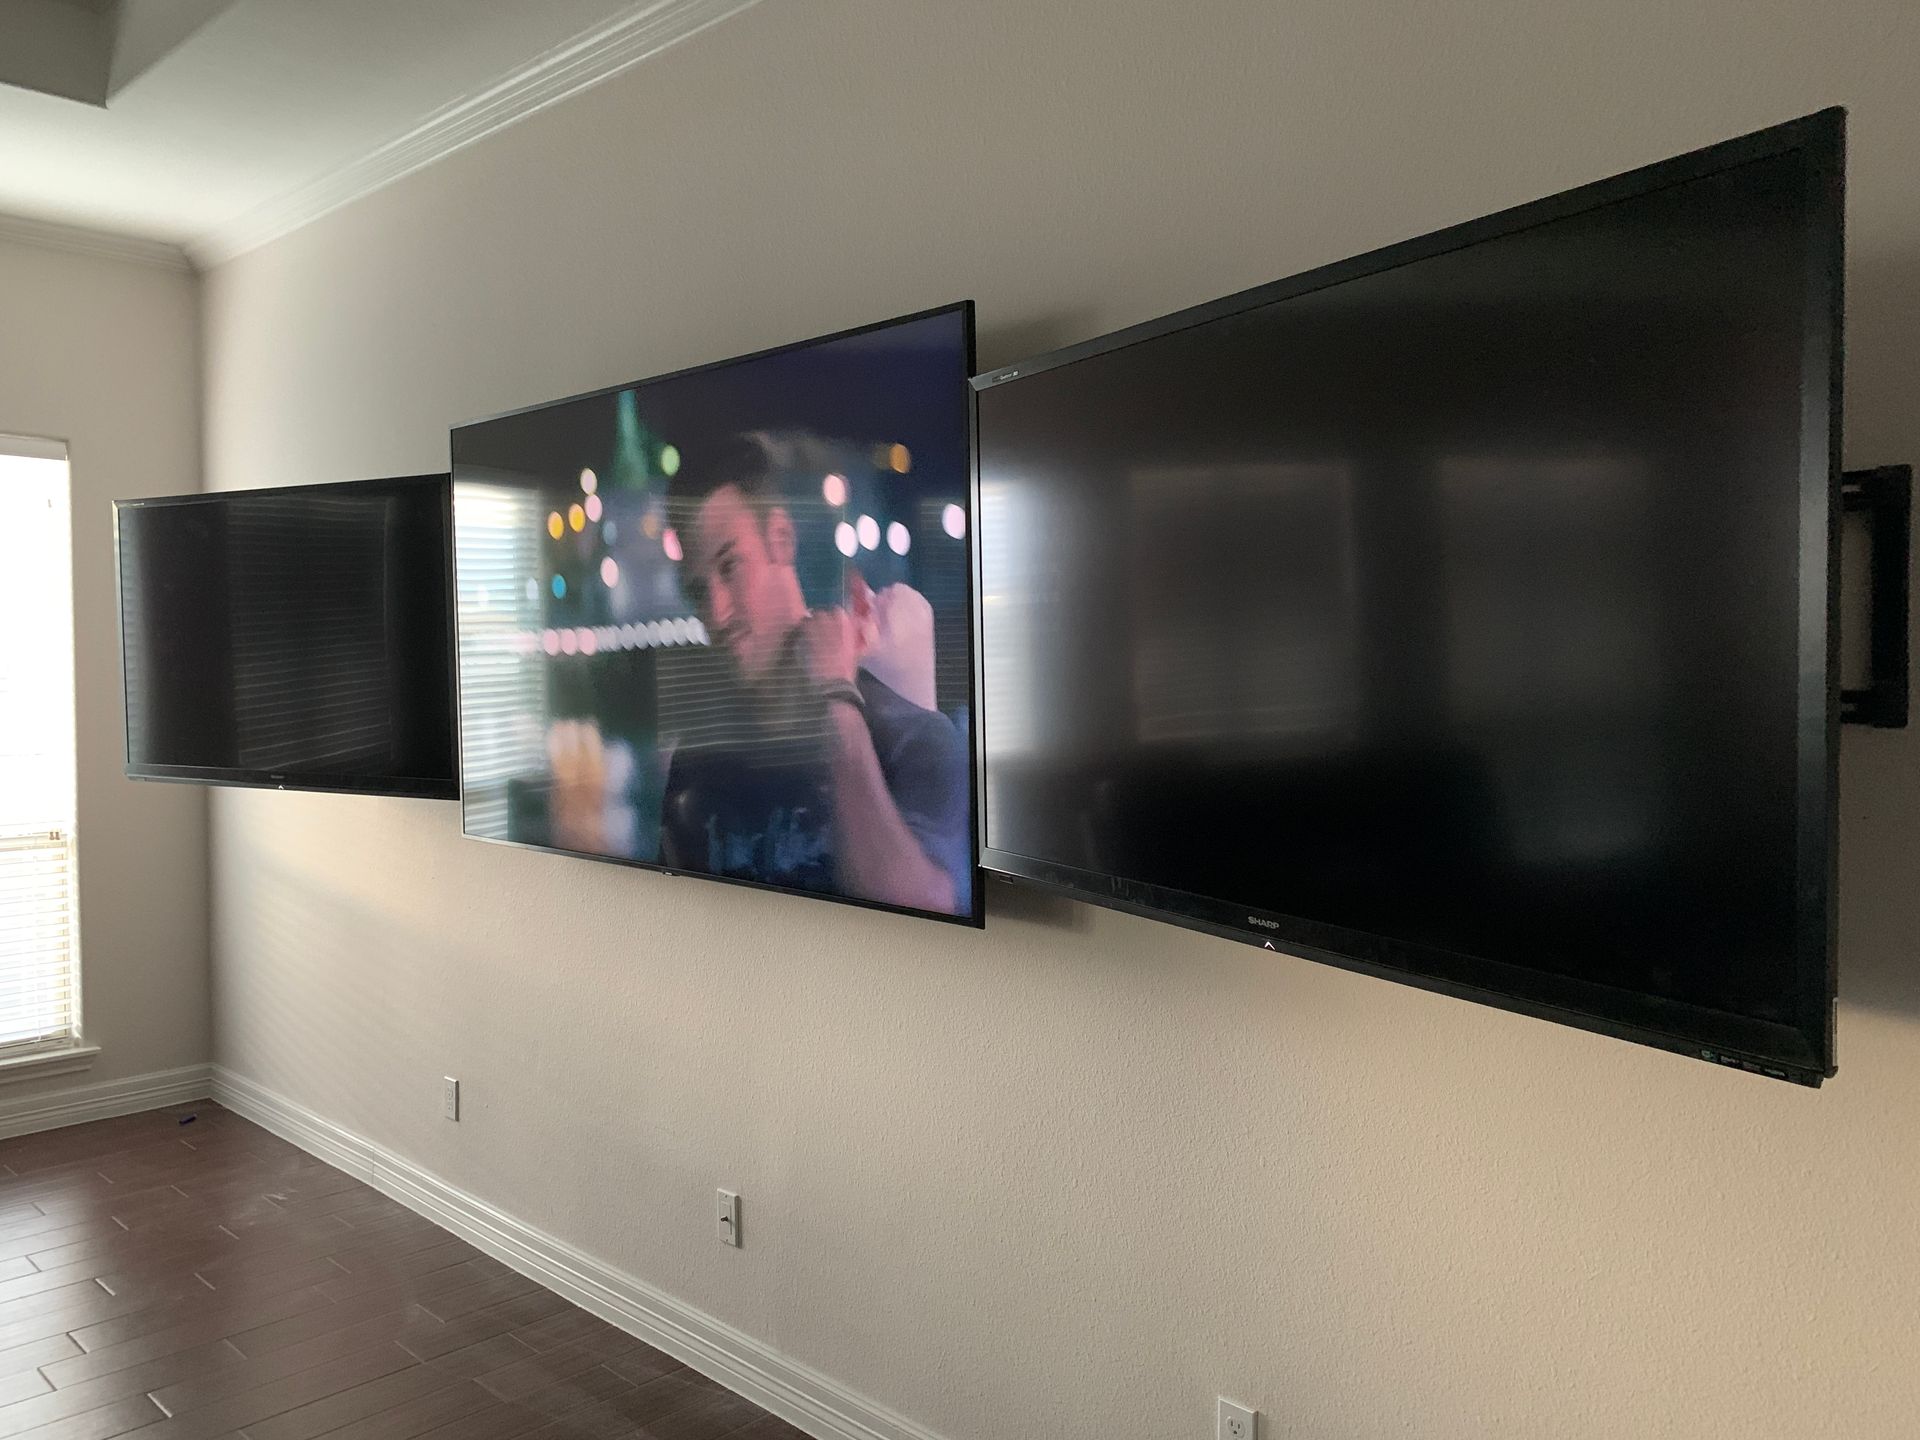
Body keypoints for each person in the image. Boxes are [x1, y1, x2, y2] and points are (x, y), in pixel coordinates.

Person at [659, 433, 971, 915]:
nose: (716, 613)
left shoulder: (910, 734)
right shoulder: (699, 762)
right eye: (699, 590)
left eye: (730, 567)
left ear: (780, 539)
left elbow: (923, 907)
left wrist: (836, 700)